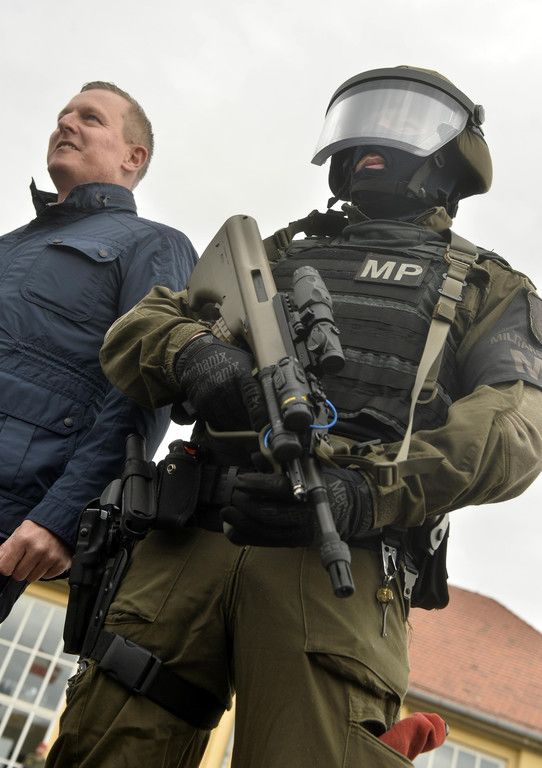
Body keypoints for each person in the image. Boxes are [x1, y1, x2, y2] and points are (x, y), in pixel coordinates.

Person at [47, 67, 542, 768]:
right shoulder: (276, 254)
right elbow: (140, 329)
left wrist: (365, 492)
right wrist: (194, 354)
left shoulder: (489, 287)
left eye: (401, 123)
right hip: (189, 535)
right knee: (106, 745)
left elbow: (515, 429)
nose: (374, 142)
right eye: (364, 123)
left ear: (452, 155)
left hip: (342, 553)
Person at [0, 82, 197, 621]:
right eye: (63, 115)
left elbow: (145, 392)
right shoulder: (10, 245)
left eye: (90, 118)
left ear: (134, 157)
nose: (66, 123)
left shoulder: (155, 244)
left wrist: (63, 516)